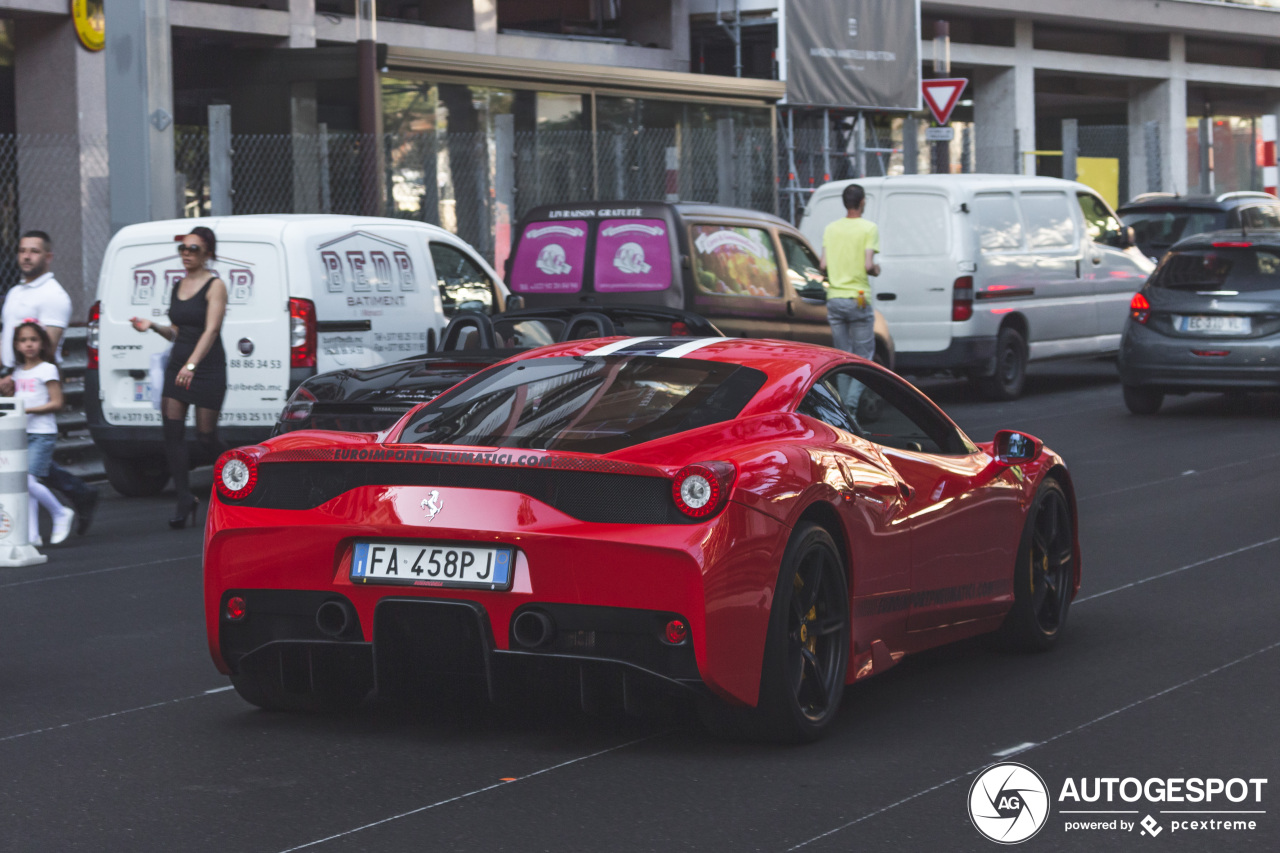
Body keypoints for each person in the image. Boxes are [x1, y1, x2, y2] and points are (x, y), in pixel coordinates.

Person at [0, 230, 99, 534]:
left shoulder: (53, 296)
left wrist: (15, 376)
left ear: (48, 256)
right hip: (8, 377)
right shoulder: (17, 291)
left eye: (34, 251)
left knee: (24, 459)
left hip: (25, 381)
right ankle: (79, 495)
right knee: (21, 456)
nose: (26, 256)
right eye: (22, 250)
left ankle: (63, 508)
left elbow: (46, 347)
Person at [130, 227, 228, 529]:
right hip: (178, 363)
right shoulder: (178, 285)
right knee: (172, 432)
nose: (186, 254)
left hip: (206, 366)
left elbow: (211, 330)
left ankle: (243, 474)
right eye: (183, 249)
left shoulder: (215, 285)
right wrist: (152, 326)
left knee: (205, 436)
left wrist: (192, 365)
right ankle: (184, 498)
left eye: (194, 249)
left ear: (208, 253)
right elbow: (176, 331)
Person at [12, 322, 75, 545]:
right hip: (21, 434)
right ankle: (33, 535)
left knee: (27, 482)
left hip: (42, 433)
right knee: (26, 484)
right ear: (16, 345)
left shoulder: (47, 369)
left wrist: (26, 409)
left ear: (41, 343)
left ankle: (60, 512)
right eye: (23, 340)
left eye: (33, 340)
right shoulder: (17, 373)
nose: (28, 344)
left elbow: (56, 402)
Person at [821, 184, 881, 413]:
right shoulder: (869, 228)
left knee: (841, 356)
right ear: (862, 202)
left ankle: (841, 410)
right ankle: (851, 407)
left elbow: (823, 264)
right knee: (863, 357)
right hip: (858, 298)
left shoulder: (831, 228)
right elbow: (868, 265)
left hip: (835, 298)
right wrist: (876, 269)